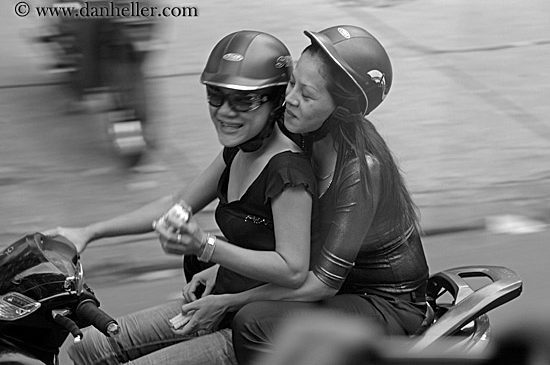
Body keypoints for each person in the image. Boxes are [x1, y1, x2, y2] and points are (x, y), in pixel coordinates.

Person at [45, 30, 316, 365]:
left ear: (276, 102)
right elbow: (179, 205)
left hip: (251, 327)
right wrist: (88, 232)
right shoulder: (237, 150)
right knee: (89, 348)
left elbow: (293, 270)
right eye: (216, 96)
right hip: (216, 300)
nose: (225, 112)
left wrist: (206, 247)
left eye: (243, 101)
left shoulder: (287, 172)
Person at [168, 25, 430, 365]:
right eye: (292, 83)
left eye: (307, 96)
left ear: (340, 111)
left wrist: (230, 300)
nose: (289, 100)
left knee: (254, 322)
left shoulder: (359, 169)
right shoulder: (301, 130)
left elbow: (322, 284)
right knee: (207, 261)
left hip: (381, 301)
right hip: (335, 281)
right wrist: (219, 271)